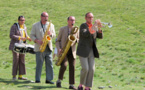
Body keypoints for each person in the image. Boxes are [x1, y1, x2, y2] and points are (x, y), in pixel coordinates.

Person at [77, 12, 103, 90]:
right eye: (89, 17)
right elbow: (85, 34)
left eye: (92, 17)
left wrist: (99, 28)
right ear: (85, 18)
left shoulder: (93, 27)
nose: (91, 19)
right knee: (85, 68)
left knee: (92, 69)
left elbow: (100, 36)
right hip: (83, 50)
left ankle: (87, 87)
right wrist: (94, 26)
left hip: (91, 50)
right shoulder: (83, 26)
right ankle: (81, 85)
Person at [30, 12, 56, 84]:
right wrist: (37, 41)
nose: (46, 18)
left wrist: (51, 34)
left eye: (47, 16)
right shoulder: (35, 25)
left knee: (50, 63)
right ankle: (37, 79)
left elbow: (54, 35)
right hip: (39, 47)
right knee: (39, 64)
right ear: (41, 17)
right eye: (45, 16)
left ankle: (49, 79)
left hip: (48, 47)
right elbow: (31, 35)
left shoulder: (51, 25)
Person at [55, 16, 79, 90]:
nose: (73, 22)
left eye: (74, 20)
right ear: (68, 21)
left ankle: (71, 84)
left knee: (72, 66)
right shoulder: (62, 29)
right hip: (63, 50)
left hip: (72, 51)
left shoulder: (77, 30)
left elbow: (79, 40)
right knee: (64, 66)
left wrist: (75, 40)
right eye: (71, 20)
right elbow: (57, 40)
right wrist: (59, 49)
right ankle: (59, 80)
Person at [9, 16, 31, 80]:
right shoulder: (14, 26)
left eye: (23, 20)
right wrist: (19, 38)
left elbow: (25, 34)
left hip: (23, 45)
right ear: (18, 20)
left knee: (22, 60)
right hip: (15, 46)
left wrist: (29, 38)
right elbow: (11, 35)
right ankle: (14, 76)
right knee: (16, 60)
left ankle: (20, 76)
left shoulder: (24, 27)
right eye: (21, 20)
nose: (22, 21)